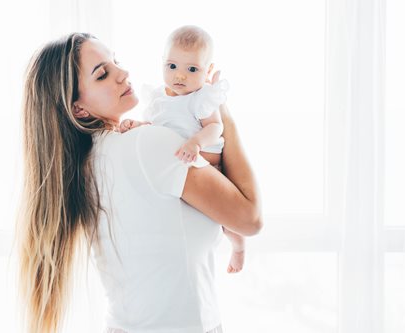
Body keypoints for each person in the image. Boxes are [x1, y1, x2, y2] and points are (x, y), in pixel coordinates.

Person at [15, 32, 262, 333]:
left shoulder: (87, 165)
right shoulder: (148, 144)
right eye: (103, 74)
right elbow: (250, 218)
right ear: (77, 108)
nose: (123, 74)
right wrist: (216, 107)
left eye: (115, 62)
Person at [120, 25, 246, 274]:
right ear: (162, 63)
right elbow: (157, 129)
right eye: (172, 66)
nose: (180, 76)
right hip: (182, 172)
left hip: (211, 167)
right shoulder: (158, 99)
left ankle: (239, 247)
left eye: (192, 69)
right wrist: (138, 125)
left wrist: (196, 142)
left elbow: (215, 128)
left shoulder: (200, 98)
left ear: (207, 71)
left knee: (227, 220)